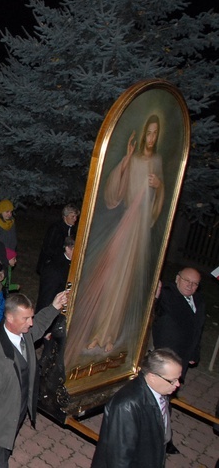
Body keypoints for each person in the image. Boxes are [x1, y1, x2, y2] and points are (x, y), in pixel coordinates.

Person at [68, 115, 164, 361]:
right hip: (125, 226)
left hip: (139, 233)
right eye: (149, 133)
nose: (152, 138)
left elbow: (159, 205)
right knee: (110, 279)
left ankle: (110, 334)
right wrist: (127, 158)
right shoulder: (134, 159)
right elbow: (115, 195)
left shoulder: (157, 161)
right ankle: (97, 331)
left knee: (124, 286)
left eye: (156, 133)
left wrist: (159, 186)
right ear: (144, 134)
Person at [0, 291, 68, 467]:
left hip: (14, 413)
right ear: (9, 317)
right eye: (26, 318)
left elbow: (38, 325)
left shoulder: (23, 332)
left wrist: (55, 306)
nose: (30, 323)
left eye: (30, 317)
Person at [91, 348, 183, 467]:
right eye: (173, 380)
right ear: (152, 377)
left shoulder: (160, 390)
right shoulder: (127, 406)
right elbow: (120, 456)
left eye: (178, 379)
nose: (178, 384)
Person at [152, 267, 206, 382]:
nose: (190, 285)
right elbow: (152, 309)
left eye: (195, 283)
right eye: (187, 280)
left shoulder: (199, 300)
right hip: (165, 354)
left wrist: (194, 352)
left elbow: (198, 329)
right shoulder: (166, 292)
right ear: (177, 279)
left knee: (172, 386)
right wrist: (154, 297)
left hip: (184, 356)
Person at [36, 204, 79, 275]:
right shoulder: (55, 229)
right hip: (52, 265)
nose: (75, 219)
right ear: (65, 216)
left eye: (76, 216)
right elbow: (48, 248)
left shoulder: (72, 230)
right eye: (73, 216)